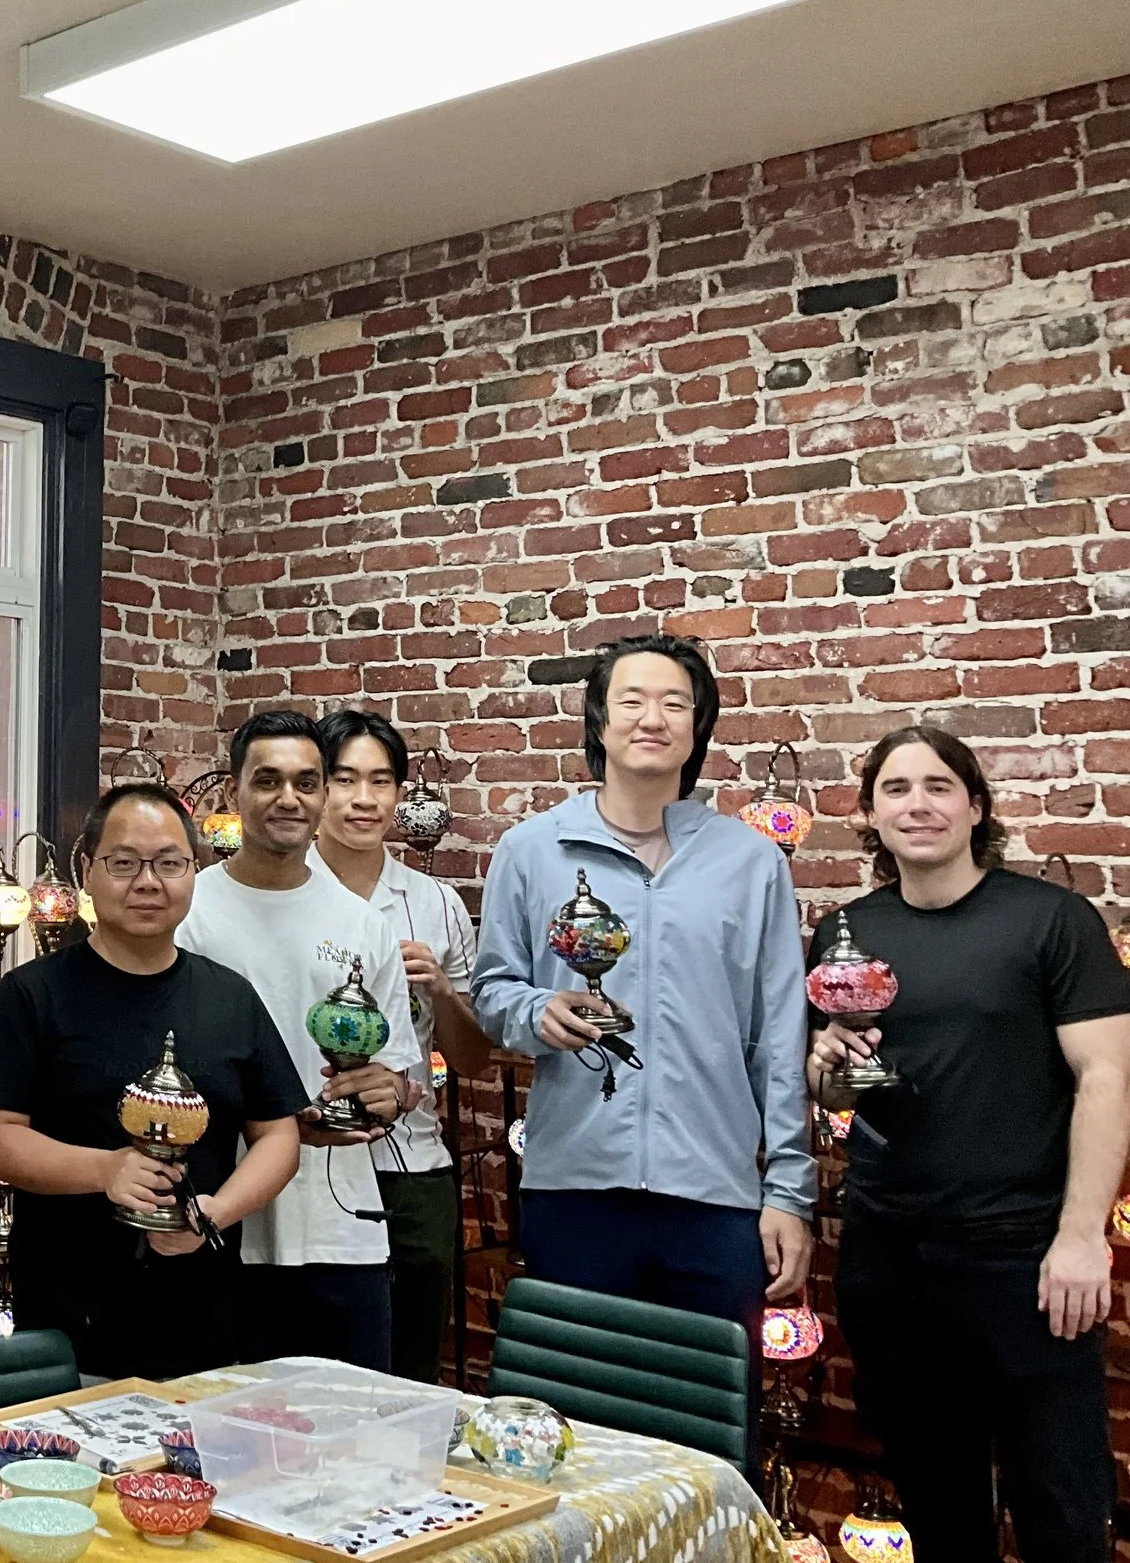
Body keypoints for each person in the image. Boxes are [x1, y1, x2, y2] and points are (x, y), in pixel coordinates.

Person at [809, 726, 1130, 1563]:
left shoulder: (1052, 921)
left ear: (976, 805)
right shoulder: (846, 933)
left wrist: (1080, 1236)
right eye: (897, 789)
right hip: (891, 1259)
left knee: (1061, 1514)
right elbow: (840, 1090)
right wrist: (830, 1068)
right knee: (941, 1513)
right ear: (871, 815)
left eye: (940, 786)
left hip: (1025, 1258)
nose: (919, 804)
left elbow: (1107, 1078)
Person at [471, 632, 814, 1319]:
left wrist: (787, 1191)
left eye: (675, 703)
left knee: (707, 1414)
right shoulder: (532, 849)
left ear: (698, 728)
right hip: (574, 1188)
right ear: (599, 720)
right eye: (631, 700)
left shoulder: (750, 862)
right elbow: (491, 989)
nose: (652, 718)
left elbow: (778, 1035)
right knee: (583, 1410)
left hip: (715, 1196)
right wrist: (536, 1011)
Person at [0, 782, 323, 1381]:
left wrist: (216, 1213)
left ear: (194, 870)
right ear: (86, 870)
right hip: (68, 1328)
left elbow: (279, 1137)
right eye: (124, 863)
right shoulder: (29, 998)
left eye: (169, 863)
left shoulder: (229, 997)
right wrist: (106, 1171)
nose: (148, 882)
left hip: (206, 1326)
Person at [179, 711, 412, 1371]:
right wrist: (274, 1122)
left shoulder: (362, 925)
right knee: (229, 1444)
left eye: (307, 782)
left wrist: (388, 1093)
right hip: (222, 1225)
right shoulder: (189, 913)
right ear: (234, 791)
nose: (290, 797)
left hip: (343, 1232)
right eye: (269, 780)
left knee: (355, 1439)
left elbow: (396, 1077)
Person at [307, 707, 490, 1384]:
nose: (363, 799)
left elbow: (475, 1059)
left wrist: (442, 989)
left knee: (411, 1364)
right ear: (317, 787)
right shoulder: (283, 893)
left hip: (414, 1165)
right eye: (344, 778)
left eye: (380, 781)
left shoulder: (436, 902)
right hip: (302, 1160)